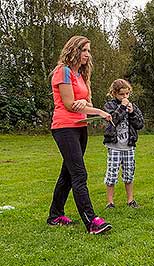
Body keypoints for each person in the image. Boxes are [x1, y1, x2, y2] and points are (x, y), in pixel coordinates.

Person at [48, 36, 112, 234]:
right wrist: (99, 112)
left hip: (80, 126)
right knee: (79, 173)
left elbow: (86, 104)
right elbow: (69, 104)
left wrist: (85, 106)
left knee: (67, 174)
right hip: (64, 127)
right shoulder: (63, 72)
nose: (87, 55)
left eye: (88, 51)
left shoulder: (81, 75)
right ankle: (92, 221)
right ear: (73, 50)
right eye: (84, 50)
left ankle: (55, 215)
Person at [103, 79, 144, 209]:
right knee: (112, 174)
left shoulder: (133, 107)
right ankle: (110, 202)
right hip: (114, 146)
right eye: (122, 94)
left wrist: (132, 113)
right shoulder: (109, 106)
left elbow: (139, 124)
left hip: (129, 145)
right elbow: (112, 120)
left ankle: (130, 200)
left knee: (129, 174)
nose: (125, 97)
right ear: (114, 93)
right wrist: (122, 107)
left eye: (127, 94)